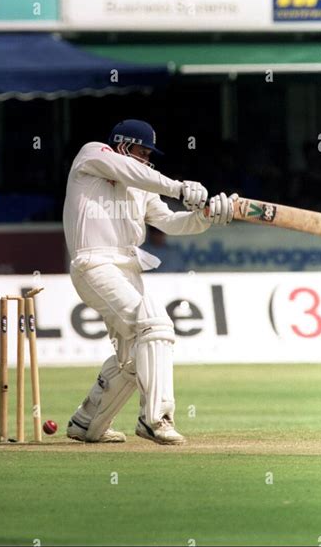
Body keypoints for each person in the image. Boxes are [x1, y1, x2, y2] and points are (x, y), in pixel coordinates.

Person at [63, 119, 237, 446]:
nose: (146, 159)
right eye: (142, 151)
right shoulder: (92, 155)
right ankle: (155, 418)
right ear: (123, 145)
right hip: (93, 262)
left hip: (127, 267)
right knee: (155, 325)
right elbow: (131, 171)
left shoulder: (142, 184)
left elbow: (171, 222)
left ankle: (87, 422)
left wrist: (206, 215)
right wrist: (179, 187)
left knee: (133, 358)